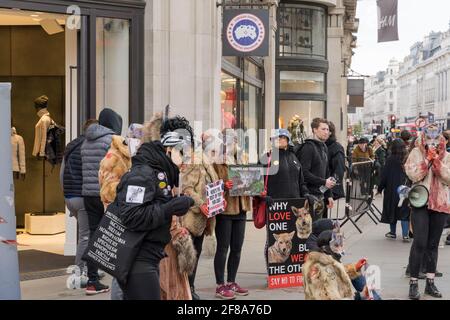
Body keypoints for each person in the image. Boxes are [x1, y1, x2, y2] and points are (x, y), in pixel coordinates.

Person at [115, 113, 195, 300]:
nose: (185, 161)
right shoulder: (143, 173)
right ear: (169, 149)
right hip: (138, 261)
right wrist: (170, 207)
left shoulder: (160, 172)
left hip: (148, 257)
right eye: (182, 153)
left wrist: (173, 206)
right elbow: (132, 215)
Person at [404, 124, 450, 300]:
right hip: (420, 202)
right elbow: (412, 174)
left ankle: (430, 282)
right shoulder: (416, 153)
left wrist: (437, 162)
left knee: (433, 244)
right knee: (420, 243)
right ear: (424, 137)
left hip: (440, 204)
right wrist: (426, 162)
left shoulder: (447, 156)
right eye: (429, 137)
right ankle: (414, 283)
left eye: (436, 138)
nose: (433, 141)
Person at [81, 108, 123, 295]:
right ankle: (118, 275)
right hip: (105, 194)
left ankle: (92, 279)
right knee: (114, 234)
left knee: (93, 234)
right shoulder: (111, 141)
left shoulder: (86, 141)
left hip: (88, 194)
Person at [213, 129, 252, 300]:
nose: (233, 141)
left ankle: (232, 281)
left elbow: (249, 179)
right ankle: (220, 285)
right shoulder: (216, 159)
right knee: (223, 247)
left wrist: (254, 185)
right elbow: (210, 183)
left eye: (235, 139)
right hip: (226, 209)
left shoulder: (243, 157)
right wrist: (223, 185)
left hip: (241, 207)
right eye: (229, 139)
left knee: (237, 248)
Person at [180, 137, 220, 300]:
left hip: (204, 218)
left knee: (195, 255)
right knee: (187, 256)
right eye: (212, 149)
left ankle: (191, 287)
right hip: (192, 218)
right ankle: (186, 290)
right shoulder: (194, 162)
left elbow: (213, 187)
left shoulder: (207, 163)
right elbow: (187, 188)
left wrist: (218, 200)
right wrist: (201, 204)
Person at [61, 119, 98, 287]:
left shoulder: (71, 146)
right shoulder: (89, 147)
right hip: (82, 196)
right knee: (86, 236)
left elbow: (62, 173)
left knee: (84, 235)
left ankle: (91, 268)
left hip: (70, 196)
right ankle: (80, 271)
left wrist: (66, 196)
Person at [302, 221, 380, 300]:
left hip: (341, 294)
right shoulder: (317, 267)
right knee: (366, 290)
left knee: (359, 279)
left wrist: (354, 268)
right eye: (336, 243)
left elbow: (335, 271)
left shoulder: (325, 257)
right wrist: (360, 296)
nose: (340, 246)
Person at [295, 118, 335, 220]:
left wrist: (329, 195)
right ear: (314, 130)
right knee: (311, 230)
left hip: (320, 196)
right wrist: (324, 181)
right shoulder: (308, 147)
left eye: (327, 129)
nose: (326, 132)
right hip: (309, 197)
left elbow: (326, 173)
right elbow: (304, 173)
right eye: (323, 129)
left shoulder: (324, 147)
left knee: (318, 229)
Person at [377, 139, 410, 241]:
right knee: (405, 212)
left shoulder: (390, 159)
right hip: (405, 189)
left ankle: (393, 232)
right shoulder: (407, 158)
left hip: (392, 190)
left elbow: (384, 176)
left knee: (392, 211)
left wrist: (380, 188)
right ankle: (405, 235)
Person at [325, 122, 345, 200]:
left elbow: (339, 171)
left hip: (328, 188)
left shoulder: (336, 147)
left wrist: (325, 189)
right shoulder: (322, 145)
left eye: (326, 129)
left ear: (330, 132)